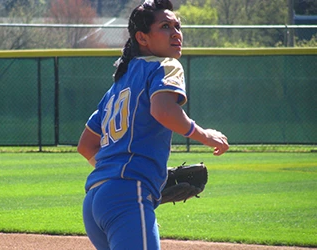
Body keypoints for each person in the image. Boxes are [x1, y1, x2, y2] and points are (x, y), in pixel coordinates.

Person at [77, 0, 229, 249]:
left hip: (95, 199)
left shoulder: (117, 86)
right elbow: (163, 110)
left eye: (178, 26)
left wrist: (122, 173)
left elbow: (86, 145)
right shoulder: (166, 65)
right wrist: (206, 135)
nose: (176, 33)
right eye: (166, 26)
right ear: (143, 38)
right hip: (126, 196)